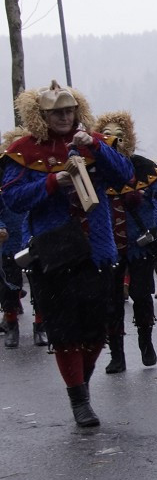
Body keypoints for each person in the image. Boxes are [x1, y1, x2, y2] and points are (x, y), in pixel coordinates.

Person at [2, 80, 134, 426]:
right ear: (41, 115)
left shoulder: (93, 142)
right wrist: (50, 182)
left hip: (97, 249)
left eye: (68, 110)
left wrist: (96, 147)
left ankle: (82, 384)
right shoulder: (23, 150)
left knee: (96, 330)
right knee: (64, 330)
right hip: (53, 251)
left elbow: (124, 176)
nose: (63, 117)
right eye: (56, 112)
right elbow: (14, 199)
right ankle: (79, 399)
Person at [94, 111, 157, 374]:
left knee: (140, 294)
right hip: (109, 248)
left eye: (121, 137)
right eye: (109, 138)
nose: (116, 142)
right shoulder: (96, 171)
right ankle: (117, 354)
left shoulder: (143, 168)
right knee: (112, 301)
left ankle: (145, 342)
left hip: (141, 246)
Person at [0, 127, 46, 348]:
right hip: (8, 242)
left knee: (39, 285)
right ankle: (11, 326)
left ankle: (40, 326)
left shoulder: (39, 174)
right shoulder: (5, 178)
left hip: (34, 238)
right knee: (9, 287)